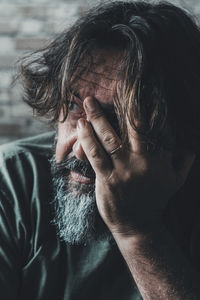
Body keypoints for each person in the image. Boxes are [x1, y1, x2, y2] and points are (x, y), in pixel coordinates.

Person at [1, 0, 200, 299]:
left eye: (116, 123)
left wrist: (138, 231)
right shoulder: (13, 180)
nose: (82, 150)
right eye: (72, 107)